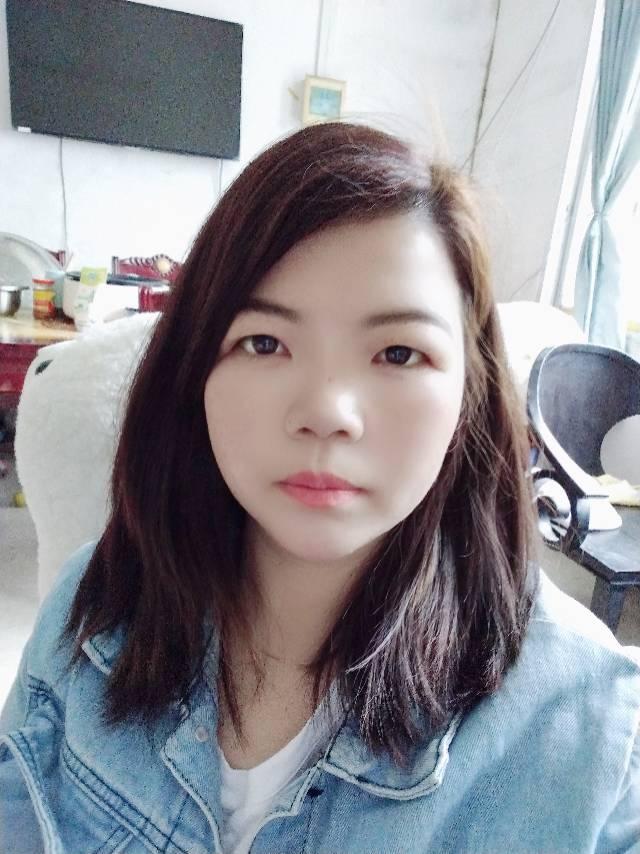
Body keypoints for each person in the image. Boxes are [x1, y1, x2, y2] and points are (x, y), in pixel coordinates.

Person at [1, 120, 638, 854]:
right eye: (264, 342)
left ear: (469, 393)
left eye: (398, 353)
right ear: (193, 373)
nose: (328, 412)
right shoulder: (92, 608)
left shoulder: (592, 732)